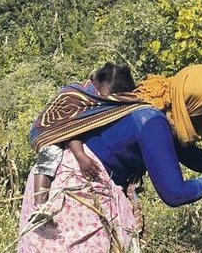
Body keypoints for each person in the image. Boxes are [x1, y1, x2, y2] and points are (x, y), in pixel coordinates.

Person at [18, 63, 202, 252]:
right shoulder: (152, 121)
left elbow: (186, 153)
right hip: (75, 194)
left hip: (86, 188)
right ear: (191, 105)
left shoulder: (156, 107)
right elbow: (175, 194)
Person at [28, 63, 135, 223]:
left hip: (69, 132)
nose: (104, 100)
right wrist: (80, 155)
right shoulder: (76, 94)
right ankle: (40, 205)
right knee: (51, 154)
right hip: (51, 131)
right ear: (98, 82)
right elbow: (71, 126)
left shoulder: (101, 102)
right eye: (104, 95)